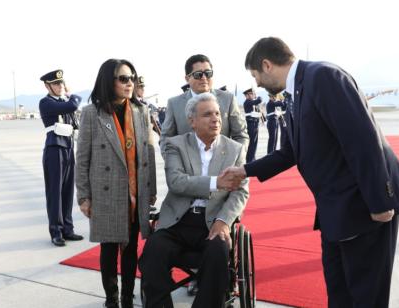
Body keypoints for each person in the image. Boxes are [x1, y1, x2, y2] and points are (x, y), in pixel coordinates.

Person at [222, 37, 399, 307]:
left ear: (266, 65)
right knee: (339, 292)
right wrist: (245, 170)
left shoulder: (323, 77)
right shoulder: (296, 92)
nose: (256, 83)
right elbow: (289, 151)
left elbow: (363, 140)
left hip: (363, 208)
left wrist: (381, 201)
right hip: (335, 211)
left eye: (255, 75)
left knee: (365, 296)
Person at [139, 93, 248, 308]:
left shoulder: (234, 149)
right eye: (207, 114)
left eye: (217, 113)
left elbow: (241, 192)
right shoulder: (176, 145)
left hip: (213, 221)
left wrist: (224, 221)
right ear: (192, 121)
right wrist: (217, 182)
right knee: (153, 252)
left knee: (218, 254)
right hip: (177, 221)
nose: (216, 119)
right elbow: (177, 182)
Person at [75, 59, 157, 308]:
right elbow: (83, 158)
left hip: (135, 191)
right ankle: (111, 298)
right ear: (108, 81)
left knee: (131, 249)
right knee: (109, 249)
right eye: (123, 78)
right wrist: (83, 196)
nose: (129, 83)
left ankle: (127, 297)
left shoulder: (141, 111)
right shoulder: (92, 113)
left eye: (132, 77)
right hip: (105, 192)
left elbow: (149, 152)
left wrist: (150, 190)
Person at [160, 54, 248, 155]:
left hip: (223, 166)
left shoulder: (228, 99)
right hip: (187, 168)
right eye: (198, 74)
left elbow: (241, 135)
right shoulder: (175, 104)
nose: (204, 78)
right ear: (187, 78)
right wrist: (174, 164)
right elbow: (166, 139)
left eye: (208, 73)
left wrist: (235, 160)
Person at [39, 69, 84, 246]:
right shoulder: (46, 102)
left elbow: (73, 122)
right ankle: (56, 231)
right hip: (54, 150)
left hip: (67, 148)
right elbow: (74, 104)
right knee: (55, 192)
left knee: (67, 191)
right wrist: (71, 94)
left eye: (61, 83)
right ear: (47, 85)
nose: (60, 86)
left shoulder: (63, 102)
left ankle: (68, 229)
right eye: (56, 84)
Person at [243, 88, 264, 162]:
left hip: (255, 124)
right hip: (250, 124)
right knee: (251, 143)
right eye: (251, 94)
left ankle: (253, 158)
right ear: (247, 95)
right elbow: (259, 100)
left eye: (252, 94)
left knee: (255, 142)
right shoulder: (247, 102)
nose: (252, 95)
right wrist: (258, 96)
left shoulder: (252, 102)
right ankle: (249, 159)